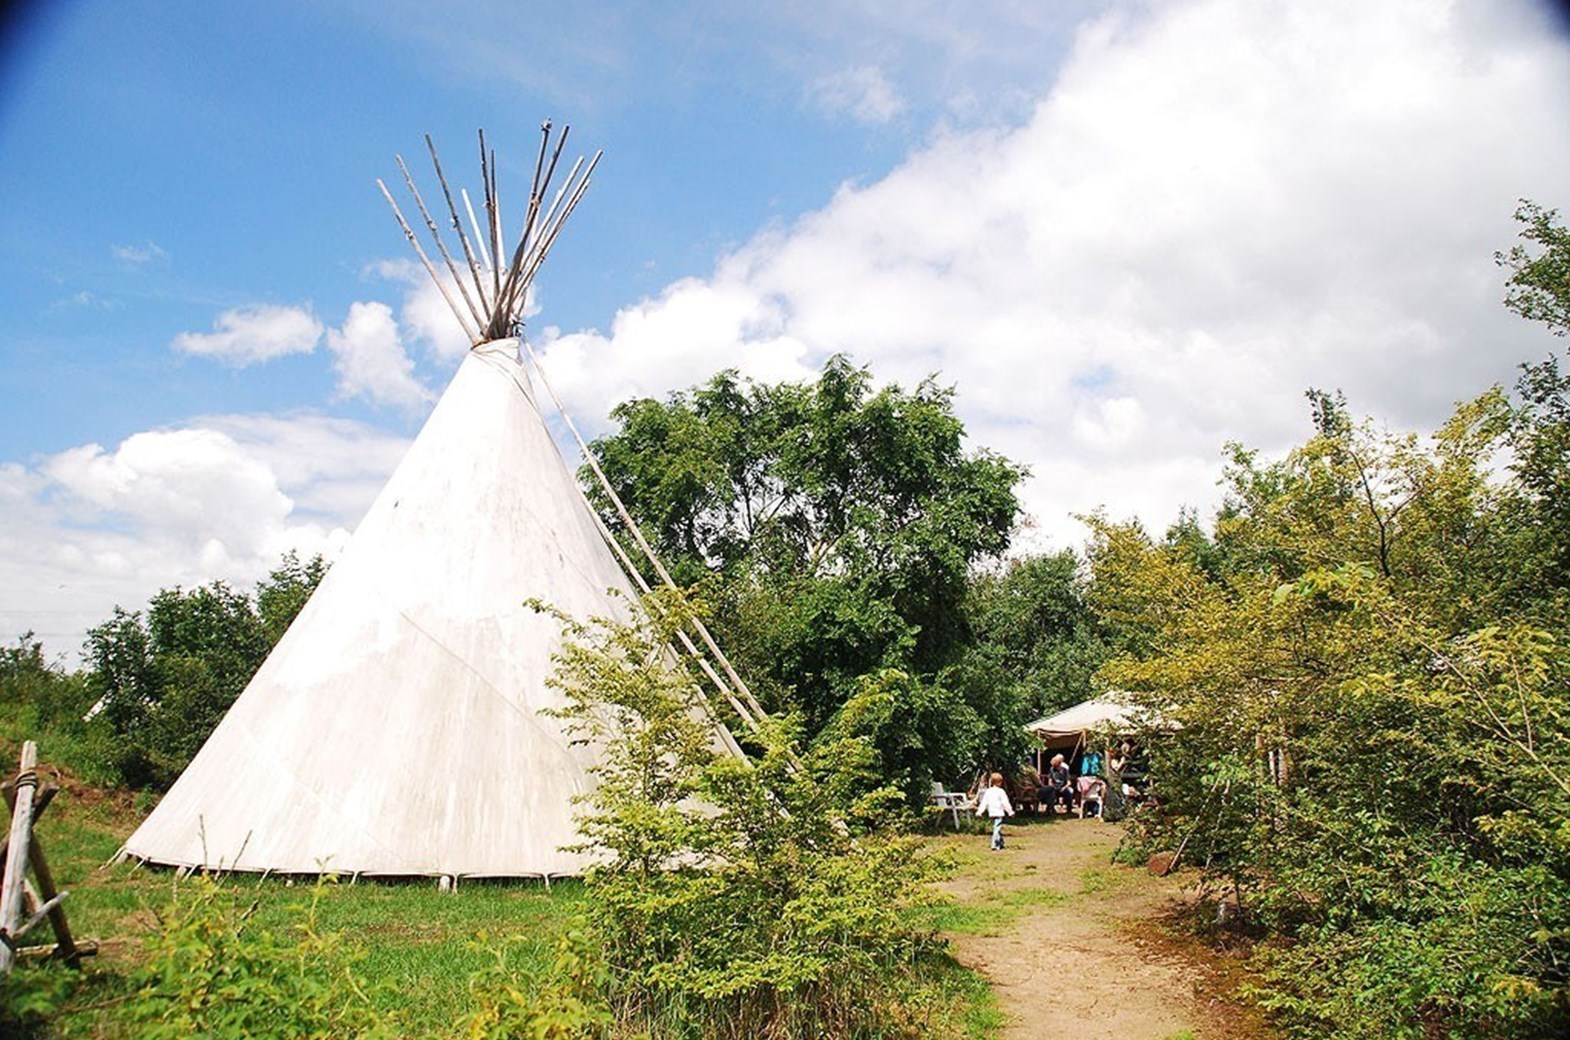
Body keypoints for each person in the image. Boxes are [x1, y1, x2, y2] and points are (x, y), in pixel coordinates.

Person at [975, 771, 1015, 850]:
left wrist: (979, 811)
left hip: (992, 812)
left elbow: (984, 802)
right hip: (999, 812)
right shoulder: (1001, 792)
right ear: (1000, 782)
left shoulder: (988, 791)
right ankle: (994, 845)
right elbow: (1005, 803)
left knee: (997, 827)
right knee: (997, 829)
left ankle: (1001, 843)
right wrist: (1010, 812)